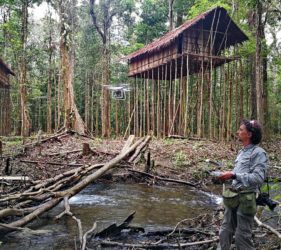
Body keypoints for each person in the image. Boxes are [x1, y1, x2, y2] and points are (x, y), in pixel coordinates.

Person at [217, 119, 268, 250]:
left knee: (242, 237)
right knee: (224, 231)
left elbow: (258, 178)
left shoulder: (259, 153)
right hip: (233, 197)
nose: (238, 132)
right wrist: (226, 175)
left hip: (246, 199)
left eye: (241, 130)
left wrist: (234, 175)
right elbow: (238, 173)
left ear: (249, 134)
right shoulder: (242, 152)